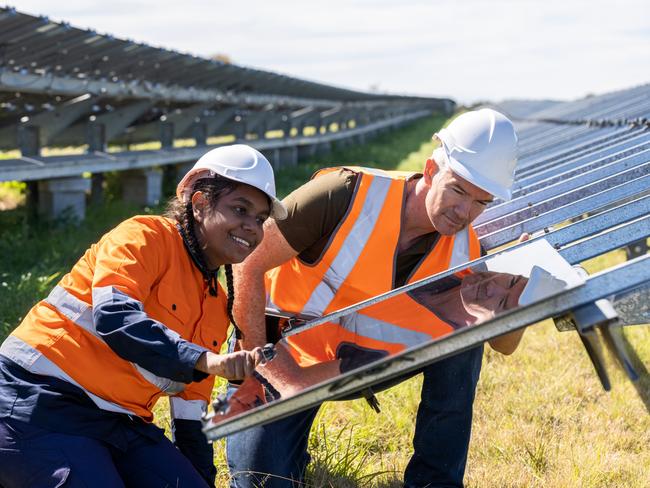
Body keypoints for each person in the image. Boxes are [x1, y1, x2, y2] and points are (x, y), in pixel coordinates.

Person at [228, 109, 521, 487]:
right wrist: (271, 369)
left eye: (481, 202)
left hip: (363, 360)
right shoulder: (343, 194)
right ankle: (286, 443)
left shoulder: (468, 250)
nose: (464, 212)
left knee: (464, 339)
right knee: (261, 479)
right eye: (458, 190)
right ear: (431, 171)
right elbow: (246, 264)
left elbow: (504, 344)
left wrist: (524, 284)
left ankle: (435, 482)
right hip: (283, 355)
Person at [0, 144, 287, 487]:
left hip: (122, 421)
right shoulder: (144, 237)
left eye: (259, 218)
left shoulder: (215, 302)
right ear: (198, 204)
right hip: (37, 401)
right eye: (240, 209)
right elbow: (115, 316)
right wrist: (203, 360)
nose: (252, 227)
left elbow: (189, 418)